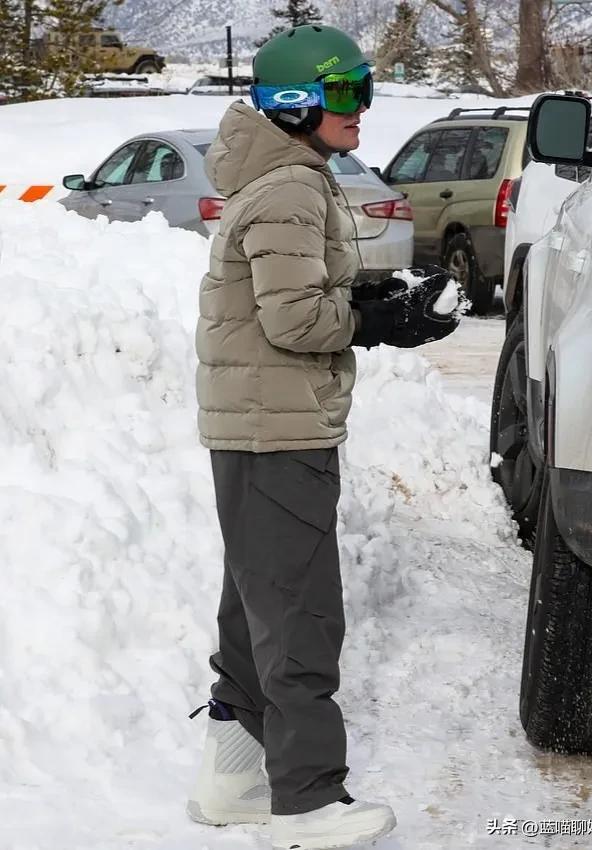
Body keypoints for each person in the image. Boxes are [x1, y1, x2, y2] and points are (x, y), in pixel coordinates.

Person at [187, 24, 461, 850]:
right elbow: (295, 316)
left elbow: (297, 285)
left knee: (256, 603)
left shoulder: (281, 177)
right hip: (277, 427)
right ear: (295, 104)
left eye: (365, 89)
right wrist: (382, 322)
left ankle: (235, 777)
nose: (362, 110)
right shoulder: (290, 189)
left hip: (256, 423)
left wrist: (385, 293)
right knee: (301, 610)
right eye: (346, 94)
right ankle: (306, 801)